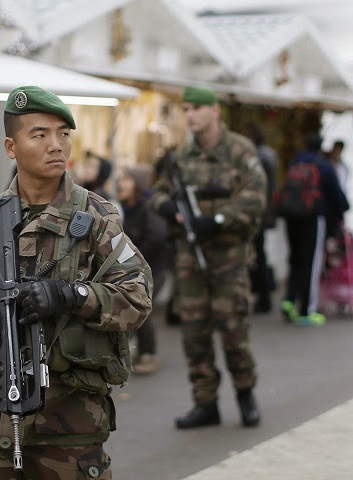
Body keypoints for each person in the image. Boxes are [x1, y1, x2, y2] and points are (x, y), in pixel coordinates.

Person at [0, 86, 153, 478]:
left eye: (63, 134)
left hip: (69, 423)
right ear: (11, 147)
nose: (56, 145)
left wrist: (71, 295)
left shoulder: (96, 218)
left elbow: (137, 296)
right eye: (39, 135)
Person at [149, 86, 266, 429]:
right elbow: (158, 192)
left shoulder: (239, 151)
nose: (190, 115)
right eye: (186, 109)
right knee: (194, 333)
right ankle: (205, 402)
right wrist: (167, 207)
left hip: (229, 257)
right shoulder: (182, 156)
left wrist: (216, 220)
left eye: (196, 108)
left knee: (234, 329)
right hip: (190, 259)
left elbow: (255, 198)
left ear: (214, 111)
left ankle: (245, 394)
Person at [280, 132, 349, 326]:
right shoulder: (324, 166)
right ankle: (307, 310)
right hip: (313, 219)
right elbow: (336, 197)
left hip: (291, 218)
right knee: (311, 263)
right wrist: (340, 215)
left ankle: (289, 301)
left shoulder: (296, 162)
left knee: (295, 260)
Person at [116, 164, 168, 374]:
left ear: (138, 184)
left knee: (141, 306)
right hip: (137, 270)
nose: (121, 184)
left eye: (126, 179)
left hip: (153, 269)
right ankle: (141, 352)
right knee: (135, 307)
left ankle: (149, 354)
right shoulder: (128, 208)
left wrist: (133, 257)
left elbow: (156, 236)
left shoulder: (148, 207)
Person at [244, 123, 278, 314]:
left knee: (257, 255)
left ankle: (262, 296)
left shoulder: (259, 157)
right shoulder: (267, 155)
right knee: (259, 254)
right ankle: (263, 295)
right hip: (261, 213)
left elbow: (260, 188)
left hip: (257, 214)